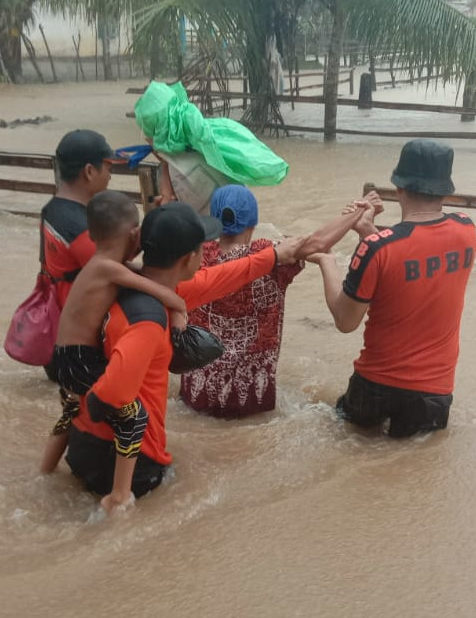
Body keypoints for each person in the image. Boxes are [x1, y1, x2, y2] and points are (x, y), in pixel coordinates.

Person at [65, 202, 302, 506]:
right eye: (204, 248)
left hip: (84, 443)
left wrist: (273, 257)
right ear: (191, 258)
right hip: (128, 463)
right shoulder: (149, 318)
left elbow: (223, 277)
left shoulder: (129, 287)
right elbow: (113, 394)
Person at [310, 139, 476, 438]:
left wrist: (327, 261)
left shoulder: (378, 248)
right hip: (433, 394)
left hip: (373, 388)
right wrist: (369, 232)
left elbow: (345, 321)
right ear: (444, 190)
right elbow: (413, 258)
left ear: (399, 188)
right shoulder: (467, 230)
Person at [39, 193, 189, 497]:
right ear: (135, 235)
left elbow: (134, 273)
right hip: (80, 360)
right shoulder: (108, 268)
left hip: (65, 357)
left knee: (69, 411)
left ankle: (45, 470)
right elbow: (155, 288)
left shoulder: (99, 264)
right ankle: (120, 497)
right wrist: (179, 309)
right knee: (133, 417)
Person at [179, 183, 369, 418]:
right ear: (253, 223)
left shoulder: (196, 257)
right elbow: (319, 243)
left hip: (197, 395)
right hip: (251, 399)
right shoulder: (269, 257)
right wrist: (358, 211)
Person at [40, 130, 115, 379]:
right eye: (108, 168)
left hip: (57, 336)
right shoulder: (77, 226)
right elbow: (113, 270)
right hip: (79, 346)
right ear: (89, 171)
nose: (111, 175)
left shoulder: (53, 210)